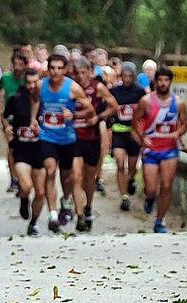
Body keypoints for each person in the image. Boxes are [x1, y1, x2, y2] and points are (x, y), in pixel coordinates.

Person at [35, 54, 94, 233]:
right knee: (50, 171)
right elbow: (34, 102)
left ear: (65, 70)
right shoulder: (41, 85)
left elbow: (90, 111)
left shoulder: (73, 88)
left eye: (60, 68)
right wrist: (33, 120)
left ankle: (65, 200)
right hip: (47, 137)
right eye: (52, 68)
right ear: (48, 69)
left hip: (67, 139)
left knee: (68, 177)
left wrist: (74, 115)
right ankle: (53, 214)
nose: (55, 72)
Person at [132, 66, 187, 233]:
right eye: (160, 80)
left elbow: (184, 124)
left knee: (166, 185)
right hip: (151, 150)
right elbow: (135, 121)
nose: (163, 83)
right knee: (151, 189)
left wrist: (178, 133)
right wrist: (142, 137)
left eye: (166, 80)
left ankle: (160, 220)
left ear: (170, 82)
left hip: (169, 150)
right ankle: (150, 199)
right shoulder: (146, 101)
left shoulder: (178, 103)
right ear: (155, 82)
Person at [70, 57, 117, 232]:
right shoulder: (70, 87)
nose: (81, 77)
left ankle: (88, 206)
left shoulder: (97, 87)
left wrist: (98, 117)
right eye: (77, 73)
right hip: (74, 137)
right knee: (76, 177)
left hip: (92, 137)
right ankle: (79, 215)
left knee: (89, 178)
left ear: (90, 72)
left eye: (84, 73)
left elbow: (114, 106)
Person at [4, 64, 48, 235]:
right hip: (21, 149)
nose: (31, 86)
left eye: (35, 82)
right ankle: (23, 199)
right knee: (26, 185)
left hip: (41, 149)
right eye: (28, 82)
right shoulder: (16, 99)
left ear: (40, 82)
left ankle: (34, 223)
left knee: (40, 191)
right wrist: (7, 128)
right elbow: (5, 117)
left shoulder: (46, 101)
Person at [109, 62, 146, 212]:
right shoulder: (114, 91)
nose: (127, 79)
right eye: (124, 76)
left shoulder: (140, 92)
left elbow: (146, 111)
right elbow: (109, 108)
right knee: (119, 163)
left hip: (134, 133)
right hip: (119, 132)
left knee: (132, 166)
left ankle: (130, 179)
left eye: (130, 76)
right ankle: (124, 196)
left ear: (134, 76)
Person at [0, 52, 30, 201]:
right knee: (12, 148)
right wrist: (4, 125)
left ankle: (24, 178)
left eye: (20, 64)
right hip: (9, 119)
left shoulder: (28, 80)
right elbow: (0, 101)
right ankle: (13, 179)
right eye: (15, 64)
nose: (17, 67)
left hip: (25, 120)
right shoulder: (6, 79)